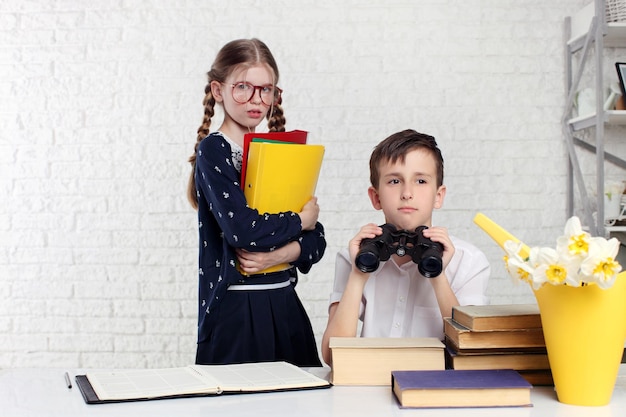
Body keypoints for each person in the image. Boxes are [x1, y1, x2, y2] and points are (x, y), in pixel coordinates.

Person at [186, 38, 325, 367]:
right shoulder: (214, 151)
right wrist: (300, 222)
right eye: (243, 87)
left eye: (266, 90)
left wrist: (280, 253)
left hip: (285, 304)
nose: (256, 99)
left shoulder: (282, 151)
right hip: (237, 311)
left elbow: (317, 241)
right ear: (219, 91)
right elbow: (243, 231)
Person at [321, 129, 490, 365]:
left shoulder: (469, 260)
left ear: (438, 196)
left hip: (436, 388)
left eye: (421, 181)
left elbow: (474, 353)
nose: (407, 193)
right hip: (369, 384)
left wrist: (438, 274)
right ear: (376, 197)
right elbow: (332, 357)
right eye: (394, 181)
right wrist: (358, 275)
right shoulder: (353, 256)